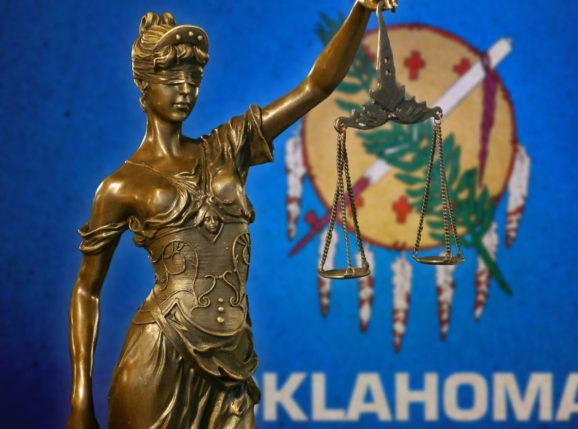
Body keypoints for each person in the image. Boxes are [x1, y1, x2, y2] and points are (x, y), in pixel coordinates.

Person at [67, 1, 397, 428]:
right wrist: (80, 399)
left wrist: (360, 11)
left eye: (194, 78)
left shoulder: (227, 149)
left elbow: (316, 86)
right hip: (159, 355)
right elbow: (86, 291)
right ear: (145, 85)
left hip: (233, 360)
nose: (186, 88)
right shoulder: (121, 187)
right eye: (172, 78)